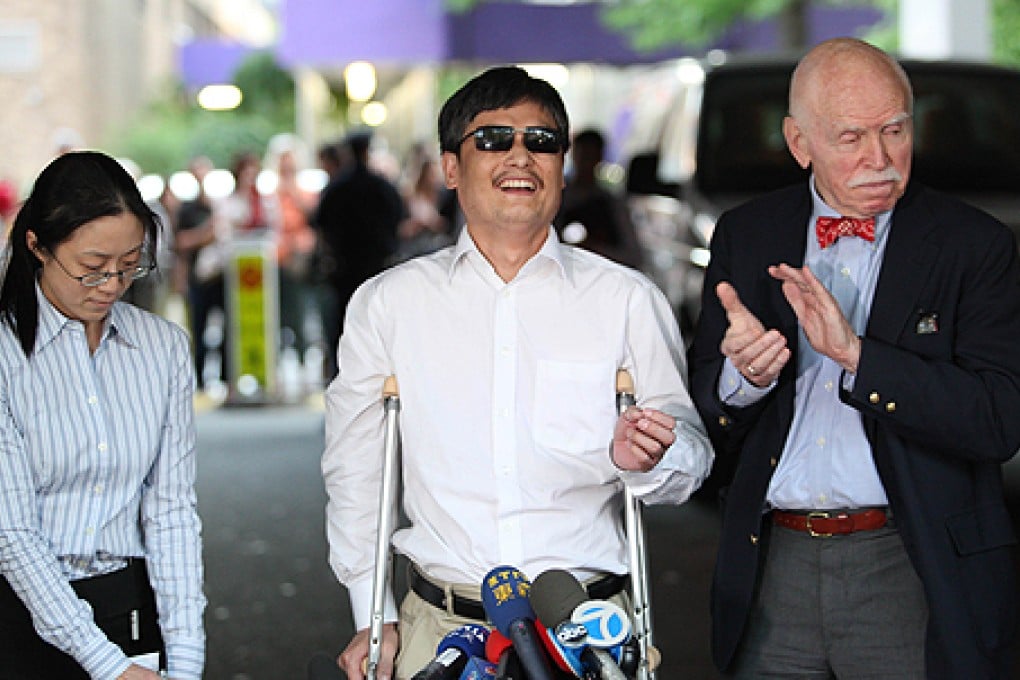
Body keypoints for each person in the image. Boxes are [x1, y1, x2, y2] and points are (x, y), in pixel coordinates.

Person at [322, 65, 714, 680]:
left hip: (588, 628)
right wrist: (371, 613)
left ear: (563, 164)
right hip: (442, 631)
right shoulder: (388, 304)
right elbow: (357, 469)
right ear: (451, 168)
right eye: (492, 139)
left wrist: (653, 457)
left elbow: (690, 456)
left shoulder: (626, 301)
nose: (519, 157)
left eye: (541, 141)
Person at [687, 38, 1020, 679]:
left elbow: (999, 420)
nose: (881, 158)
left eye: (895, 129)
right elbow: (706, 418)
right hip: (771, 567)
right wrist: (742, 381)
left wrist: (859, 358)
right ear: (799, 142)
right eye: (851, 138)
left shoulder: (973, 245)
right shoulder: (746, 234)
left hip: (908, 560)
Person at [0, 151, 206, 678]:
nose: (113, 285)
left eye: (130, 264)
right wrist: (106, 665)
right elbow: (12, 534)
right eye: (92, 269)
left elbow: (172, 511)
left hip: (128, 603)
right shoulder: (6, 355)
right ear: (38, 247)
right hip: (18, 609)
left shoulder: (162, 349)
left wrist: (185, 658)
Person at [314, 130, 404, 380]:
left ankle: (342, 377)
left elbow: (321, 227)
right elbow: (398, 221)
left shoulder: (336, 188)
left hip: (344, 270)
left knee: (342, 328)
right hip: (378, 267)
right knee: (379, 329)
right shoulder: (382, 187)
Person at [554, 128, 643, 269]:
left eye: (590, 155)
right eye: (583, 154)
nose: (585, 161)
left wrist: (593, 248)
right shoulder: (554, 197)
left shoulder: (611, 204)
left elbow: (632, 256)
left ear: (599, 157)